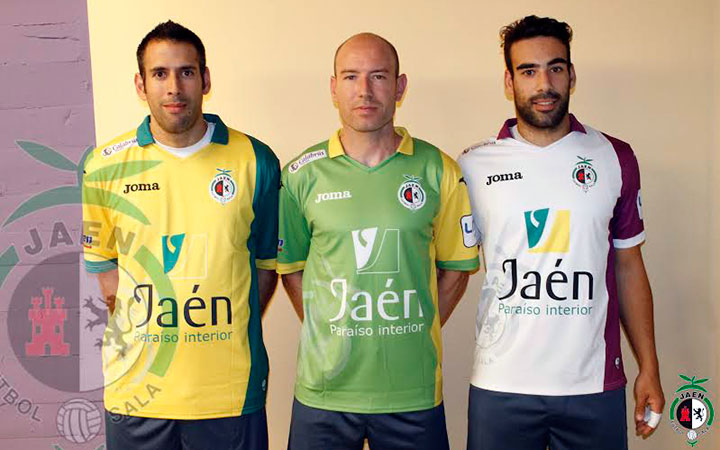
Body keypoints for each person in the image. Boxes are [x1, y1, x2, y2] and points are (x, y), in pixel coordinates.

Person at [458, 15, 664, 450]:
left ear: (571, 75)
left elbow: (629, 265)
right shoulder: (473, 166)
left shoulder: (614, 157)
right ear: (510, 83)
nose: (544, 83)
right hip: (501, 386)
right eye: (528, 71)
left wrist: (649, 366)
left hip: (593, 387)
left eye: (555, 68)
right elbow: (452, 267)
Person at [81, 20, 279, 450]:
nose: (174, 86)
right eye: (160, 73)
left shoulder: (256, 160)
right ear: (141, 84)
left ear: (205, 79)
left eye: (186, 72)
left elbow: (265, 270)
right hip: (138, 395)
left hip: (227, 395)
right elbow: (108, 275)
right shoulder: (102, 167)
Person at [277, 32, 479, 449]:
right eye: (350, 77)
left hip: (412, 391)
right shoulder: (300, 174)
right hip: (324, 392)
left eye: (378, 76)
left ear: (400, 86)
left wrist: (415, 326)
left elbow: (457, 269)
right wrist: (328, 327)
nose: (364, 90)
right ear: (333, 88)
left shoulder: (438, 169)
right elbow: (292, 268)